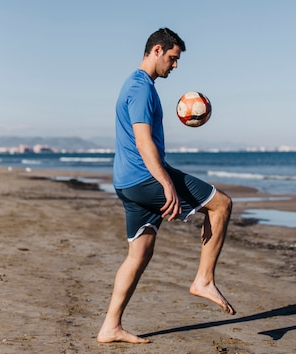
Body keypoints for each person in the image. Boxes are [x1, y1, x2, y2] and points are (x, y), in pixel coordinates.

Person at [97, 27, 235, 344]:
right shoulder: (142, 88)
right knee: (221, 204)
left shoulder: (133, 83)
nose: (174, 66)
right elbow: (143, 140)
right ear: (157, 50)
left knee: (139, 253)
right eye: (173, 59)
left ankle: (110, 327)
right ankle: (203, 280)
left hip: (127, 181)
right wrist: (166, 184)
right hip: (145, 177)